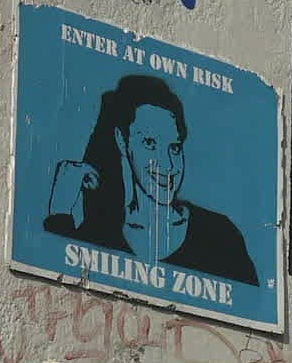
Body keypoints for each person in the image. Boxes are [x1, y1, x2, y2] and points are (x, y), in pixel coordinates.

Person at [45, 74, 257, 284]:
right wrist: (59, 213)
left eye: (174, 147)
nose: (168, 165)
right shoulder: (98, 236)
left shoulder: (219, 237)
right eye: (149, 143)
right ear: (122, 141)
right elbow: (58, 292)